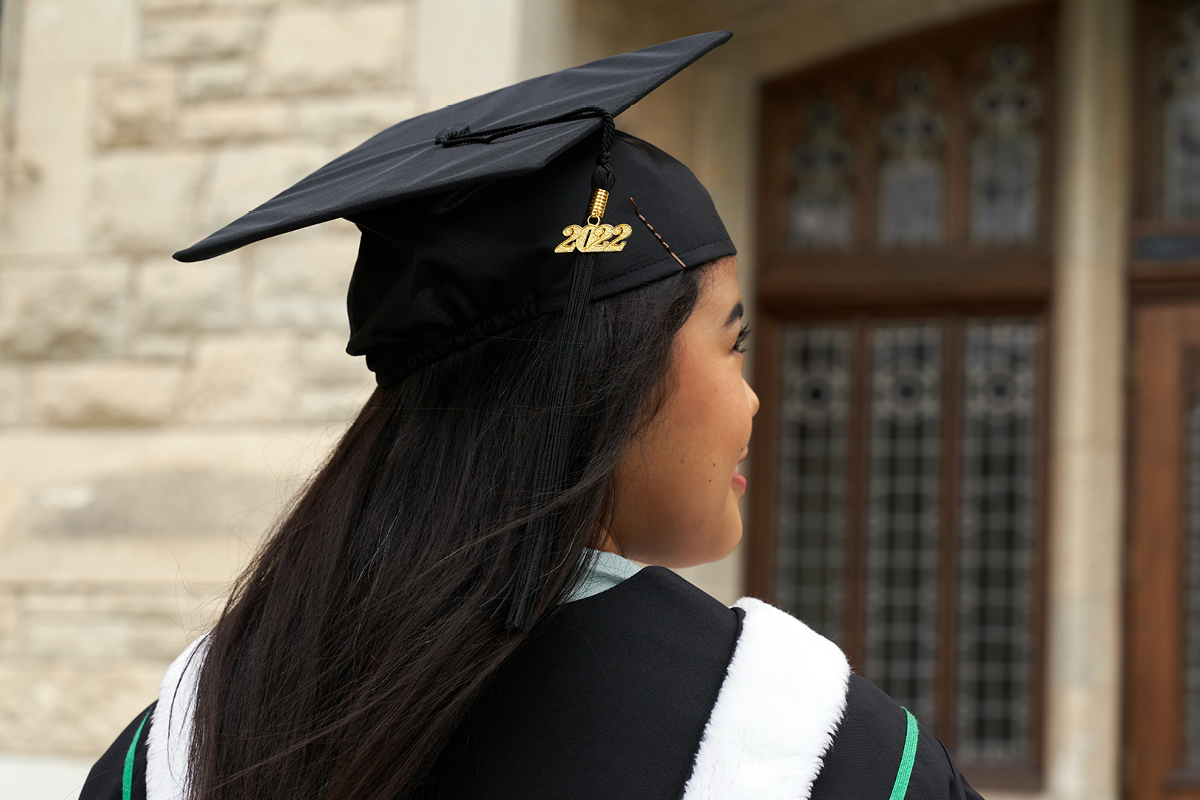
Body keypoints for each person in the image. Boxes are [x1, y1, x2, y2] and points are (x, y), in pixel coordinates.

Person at [80, 32, 982, 800]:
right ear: (613, 374)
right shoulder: (821, 750)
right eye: (733, 344)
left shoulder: (184, 744)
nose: (752, 399)